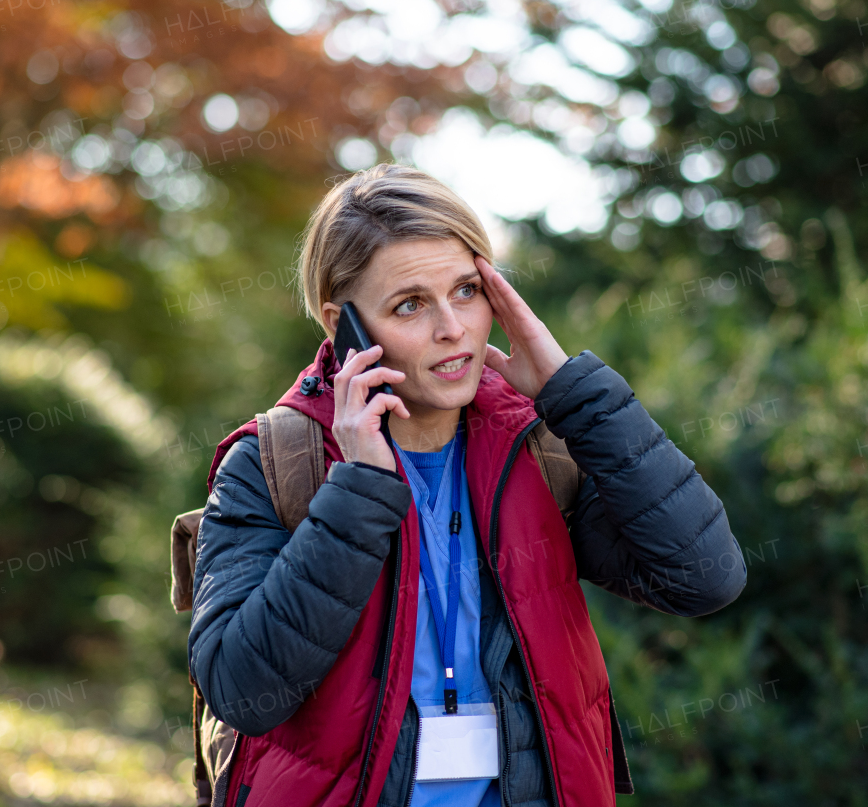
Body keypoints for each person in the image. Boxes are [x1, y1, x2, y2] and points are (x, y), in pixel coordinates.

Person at [188, 163, 747, 807]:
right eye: (410, 305)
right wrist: (361, 487)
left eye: (466, 291)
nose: (452, 328)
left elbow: (705, 578)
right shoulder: (275, 461)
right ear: (343, 325)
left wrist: (578, 398)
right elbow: (241, 688)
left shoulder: (535, 447)